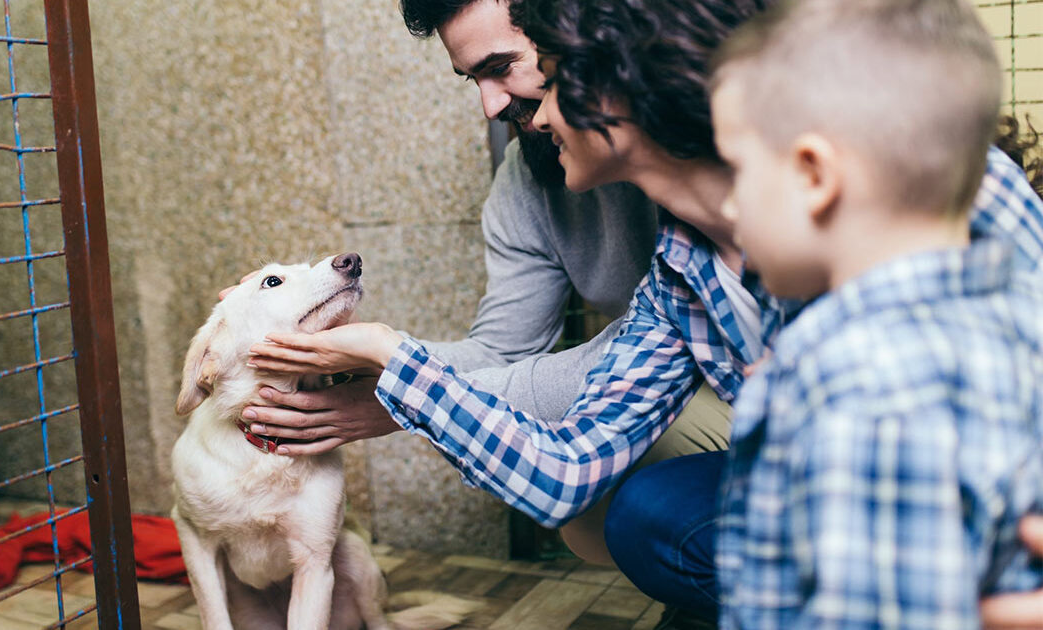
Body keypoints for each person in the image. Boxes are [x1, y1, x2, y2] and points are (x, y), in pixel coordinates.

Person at [247, 0, 1043, 621]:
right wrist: (394, 358)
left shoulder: (910, 201)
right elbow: (563, 472)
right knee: (641, 514)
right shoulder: (680, 272)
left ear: (614, 77)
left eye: (544, 76)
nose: (526, 110)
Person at [235, 0, 736, 566]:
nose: (493, 106)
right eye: (473, 78)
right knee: (604, 515)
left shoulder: (775, 199)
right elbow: (548, 445)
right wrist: (384, 368)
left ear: (609, 52)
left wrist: (402, 384)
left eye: (509, 67)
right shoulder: (677, 269)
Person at [706, 1, 1043, 626]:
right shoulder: (1024, 321)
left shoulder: (862, 384)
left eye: (738, 170)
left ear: (814, 175)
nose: (729, 206)